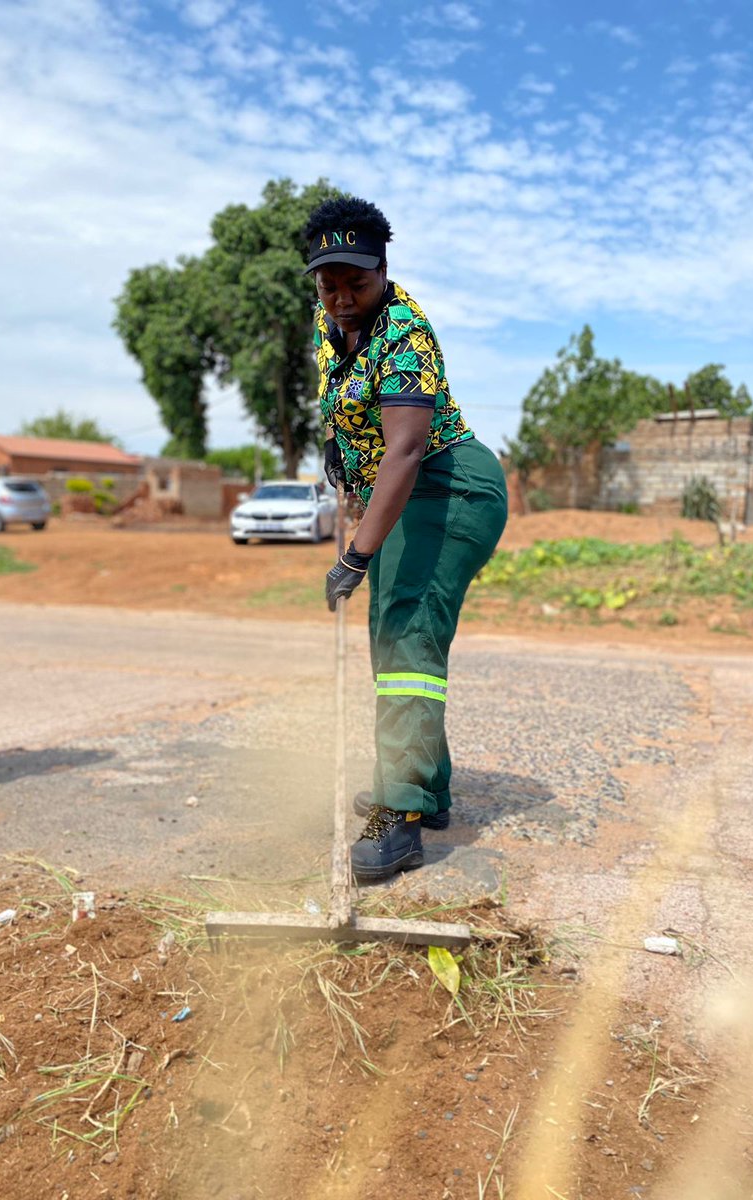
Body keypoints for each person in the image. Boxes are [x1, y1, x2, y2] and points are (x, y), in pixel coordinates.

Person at [304, 197, 507, 883]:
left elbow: (407, 448)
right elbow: (344, 402)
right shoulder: (328, 323)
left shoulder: (404, 331)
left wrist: (356, 553)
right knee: (390, 637)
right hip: (406, 492)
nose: (341, 298)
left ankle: (402, 817)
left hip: (451, 488)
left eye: (355, 283)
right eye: (328, 285)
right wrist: (336, 445)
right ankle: (426, 787)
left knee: (409, 633)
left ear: (382, 269)